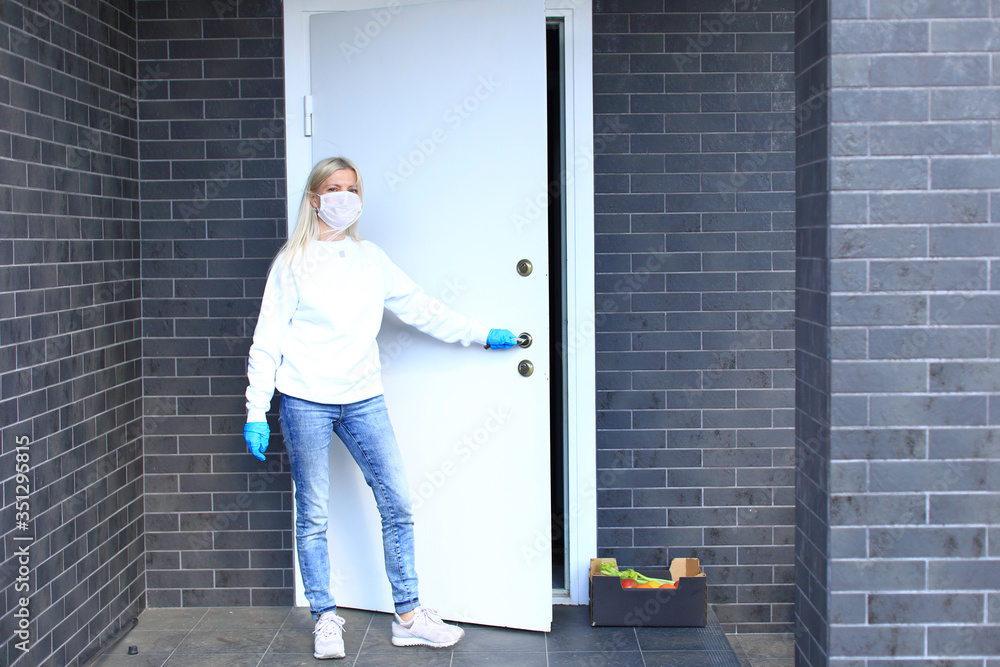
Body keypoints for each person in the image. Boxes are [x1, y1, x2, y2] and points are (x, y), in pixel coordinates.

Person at [242, 157, 518, 660]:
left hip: (362, 398)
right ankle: (326, 618)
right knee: (315, 513)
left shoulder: (371, 259)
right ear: (314, 198)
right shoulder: (293, 262)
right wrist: (256, 409)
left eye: (351, 188)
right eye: (333, 187)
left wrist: (480, 335)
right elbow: (268, 339)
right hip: (305, 399)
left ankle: (409, 616)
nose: (343, 196)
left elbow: (421, 307)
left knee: (398, 503)